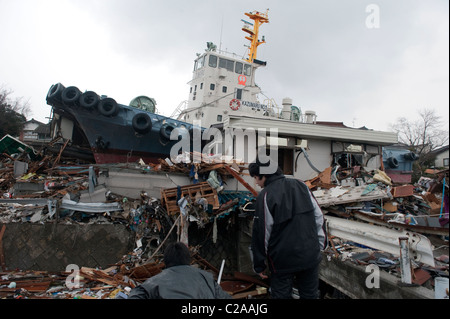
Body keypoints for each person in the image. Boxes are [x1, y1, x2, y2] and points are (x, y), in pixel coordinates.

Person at [249, 159, 327, 299]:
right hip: (310, 256)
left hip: (282, 261)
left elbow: (262, 233)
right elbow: (318, 217)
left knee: (281, 295)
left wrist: (259, 265)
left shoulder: (265, 195)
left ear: (264, 175)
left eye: (255, 178)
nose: (256, 182)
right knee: (310, 295)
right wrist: (320, 245)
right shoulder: (301, 185)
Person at [128, 242, 231, 299]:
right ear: (188, 259)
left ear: (166, 261)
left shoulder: (155, 282)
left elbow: (135, 295)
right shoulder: (206, 278)